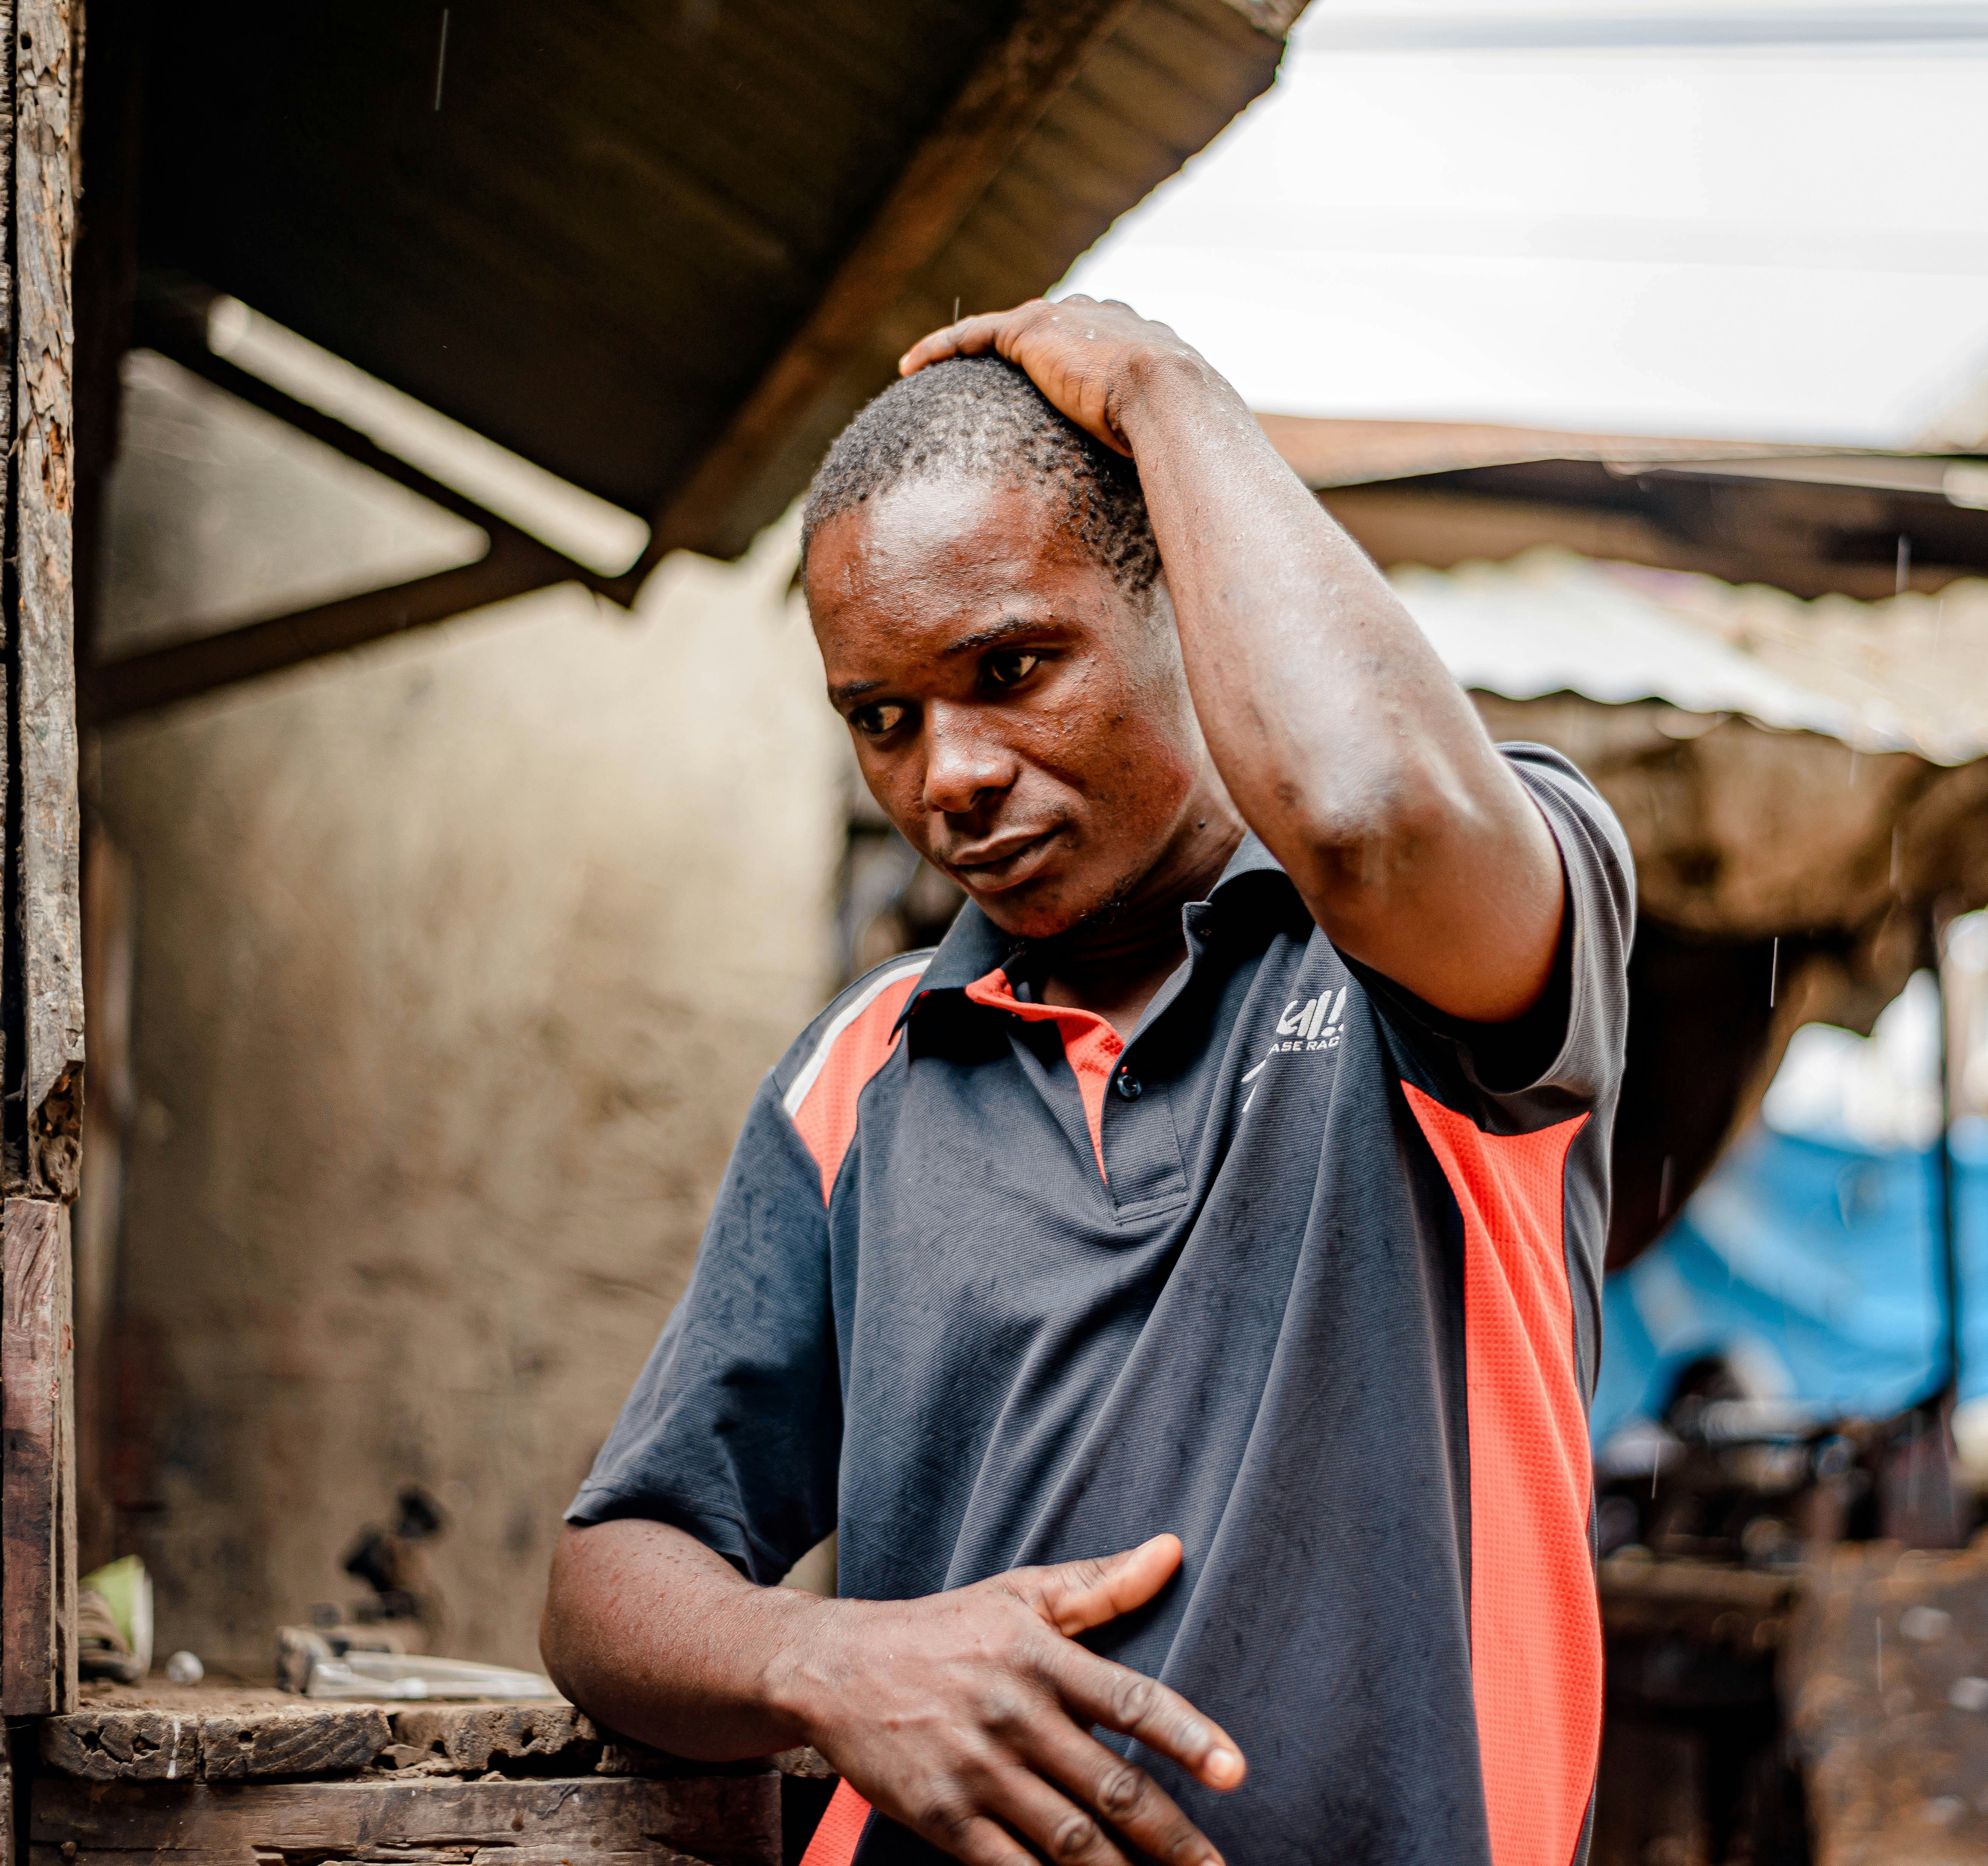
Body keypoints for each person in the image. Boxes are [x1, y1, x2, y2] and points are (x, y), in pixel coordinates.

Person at [540, 298, 1634, 1866]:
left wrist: (1159, 381)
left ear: (1189, 612)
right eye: (883, 717)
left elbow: (1366, 812)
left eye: (1010, 665)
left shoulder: (1438, 963)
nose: (950, 774)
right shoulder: (865, 1075)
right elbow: (612, 1572)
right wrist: (831, 1657)